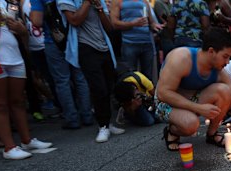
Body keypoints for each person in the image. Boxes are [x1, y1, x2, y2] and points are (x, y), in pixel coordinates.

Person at [155, 28, 231, 151]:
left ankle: (212, 134)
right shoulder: (181, 58)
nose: (228, 62)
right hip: (166, 103)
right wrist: (198, 108)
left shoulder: (219, 71)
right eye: (225, 56)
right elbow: (163, 93)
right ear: (211, 51)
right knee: (190, 124)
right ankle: (172, 131)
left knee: (225, 91)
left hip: (191, 98)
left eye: (229, 57)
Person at [0, 2, 52, 160]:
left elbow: (22, 27)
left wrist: (21, 29)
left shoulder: (6, 2)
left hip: (13, 54)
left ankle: (27, 140)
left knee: (18, 100)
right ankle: (9, 147)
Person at [59, 0, 125, 143]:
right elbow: (74, 20)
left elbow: (109, 27)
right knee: (98, 88)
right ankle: (102, 126)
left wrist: (100, 9)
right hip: (85, 47)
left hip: (104, 46)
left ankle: (107, 123)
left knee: (108, 87)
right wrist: (87, 2)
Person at [30, 0, 93, 129]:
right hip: (74, 37)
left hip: (53, 40)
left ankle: (72, 119)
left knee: (62, 81)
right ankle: (87, 115)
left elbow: (36, 21)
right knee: (80, 78)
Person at [110, 0, 160, 80]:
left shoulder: (144, 1)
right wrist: (133, 24)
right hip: (129, 43)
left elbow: (151, 22)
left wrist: (156, 26)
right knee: (130, 77)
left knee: (147, 77)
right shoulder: (117, 1)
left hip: (147, 43)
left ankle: (146, 93)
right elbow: (114, 23)